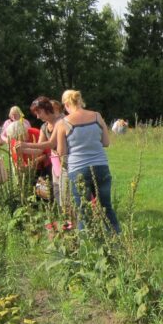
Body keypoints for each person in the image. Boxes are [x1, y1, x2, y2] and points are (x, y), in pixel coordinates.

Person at [54, 90, 120, 233]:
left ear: (66, 104)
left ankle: (87, 245)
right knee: (106, 207)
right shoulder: (97, 116)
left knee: (83, 211)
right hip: (101, 166)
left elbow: (61, 153)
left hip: (78, 169)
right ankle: (116, 239)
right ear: (80, 101)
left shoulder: (62, 123)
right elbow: (106, 142)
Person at [20, 97, 66, 204]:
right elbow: (40, 149)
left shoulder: (62, 121)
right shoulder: (44, 127)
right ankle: (63, 216)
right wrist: (23, 150)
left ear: (46, 109)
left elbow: (51, 143)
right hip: (56, 162)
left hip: (68, 160)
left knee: (66, 193)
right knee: (57, 192)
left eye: (39, 112)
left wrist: (25, 144)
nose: (37, 116)